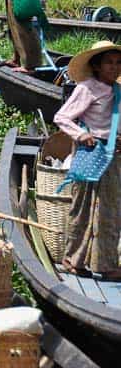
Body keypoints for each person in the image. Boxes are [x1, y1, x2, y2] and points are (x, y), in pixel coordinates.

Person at [54, 41, 121, 279]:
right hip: (91, 152)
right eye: (108, 63)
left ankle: (106, 264)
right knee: (82, 207)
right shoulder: (87, 88)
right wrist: (82, 135)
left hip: (114, 155)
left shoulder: (117, 90)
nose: (114, 68)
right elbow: (62, 118)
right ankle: (73, 260)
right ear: (97, 66)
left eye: (117, 63)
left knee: (110, 210)